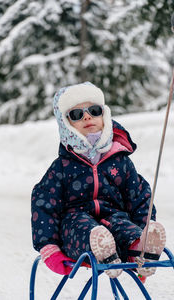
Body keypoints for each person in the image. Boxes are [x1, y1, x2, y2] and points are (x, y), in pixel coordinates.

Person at [31, 82, 166, 279]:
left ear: (105, 116)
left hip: (113, 218)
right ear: (66, 124)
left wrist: (143, 227)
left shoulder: (120, 161)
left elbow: (139, 197)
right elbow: (44, 204)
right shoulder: (62, 167)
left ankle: (140, 249)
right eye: (76, 114)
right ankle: (103, 253)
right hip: (75, 227)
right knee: (83, 227)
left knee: (123, 226)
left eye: (94, 110)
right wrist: (48, 246)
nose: (87, 116)